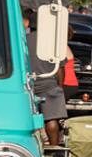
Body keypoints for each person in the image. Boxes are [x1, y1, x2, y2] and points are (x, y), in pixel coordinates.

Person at [24, 8, 67, 145]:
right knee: (51, 119)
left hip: (29, 83)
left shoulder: (23, 40)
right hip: (49, 84)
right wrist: (60, 86)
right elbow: (60, 68)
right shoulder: (52, 42)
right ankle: (53, 150)